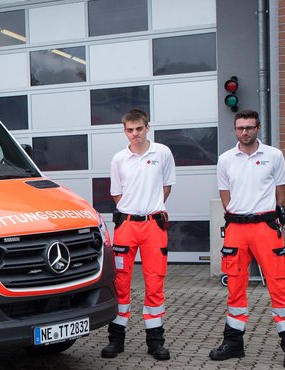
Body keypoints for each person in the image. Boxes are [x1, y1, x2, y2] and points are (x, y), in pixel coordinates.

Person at [211, 110, 285, 368]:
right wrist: (236, 214)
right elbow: (224, 193)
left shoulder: (274, 155)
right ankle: (233, 343)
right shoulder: (226, 159)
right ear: (235, 129)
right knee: (235, 286)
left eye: (249, 127)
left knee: (278, 285)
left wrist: (272, 216)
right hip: (237, 228)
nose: (245, 132)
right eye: (240, 128)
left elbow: (280, 191)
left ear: (258, 128)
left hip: (265, 226)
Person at [102, 109, 176, 361]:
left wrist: (149, 207)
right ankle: (116, 339)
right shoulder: (118, 159)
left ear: (147, 128)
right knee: (120, 281)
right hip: (126, 226)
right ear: (124, 130)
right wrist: (134, 209)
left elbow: (166, 187)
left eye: (139, 129)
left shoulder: (162, 153)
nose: (134, 134)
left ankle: (155, 341)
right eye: (129, 130)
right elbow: (116, 194)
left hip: (154, 226)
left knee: (155, 281)